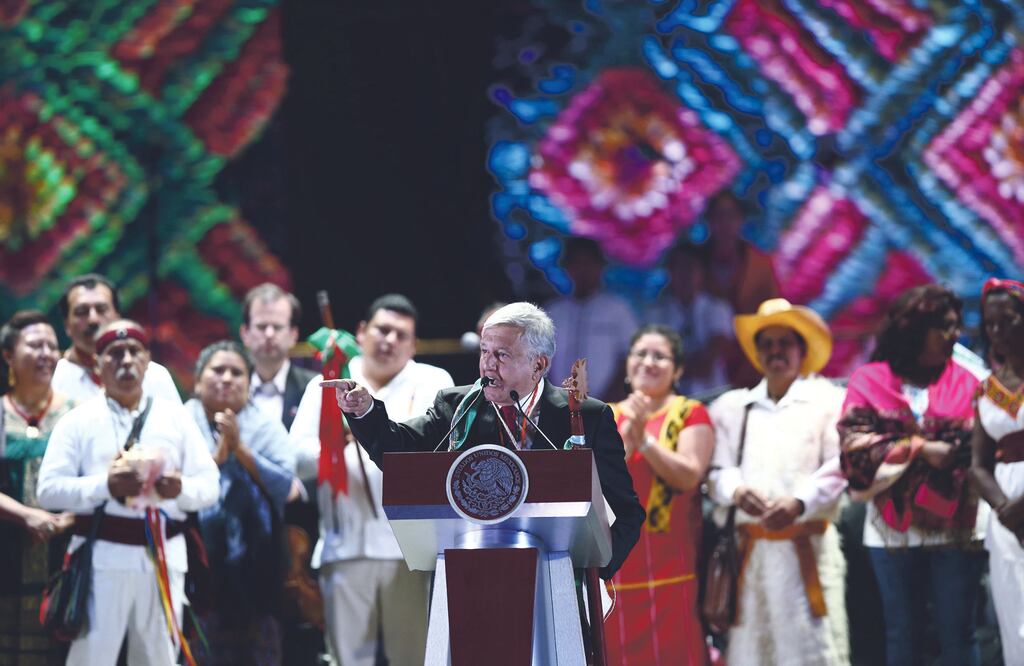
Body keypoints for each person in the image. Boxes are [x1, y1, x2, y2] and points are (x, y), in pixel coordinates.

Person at [324, 302, 645, 582]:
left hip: (559, 579)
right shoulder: (457, 407)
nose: (488, 365)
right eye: (484, 351)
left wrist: (593, 572)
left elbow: (627, 513)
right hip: (471, 576)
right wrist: (364, 411)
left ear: (539, 364)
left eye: (502, 355)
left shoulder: (587, 416)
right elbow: (398, 453)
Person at [37, 320, 219, 665]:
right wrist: (105, 485)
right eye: (115, 353)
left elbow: (210, 485)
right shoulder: (77, 421)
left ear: (148, 360)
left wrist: (180, 489)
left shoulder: (175, 418)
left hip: (164, 556)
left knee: (158, 658)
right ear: (97, 364)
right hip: (101, 558)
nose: (126, 360)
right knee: (92, 658)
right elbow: (48, 491)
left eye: (134, 351)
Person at [290, 294, 453, 666]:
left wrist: (376, 432)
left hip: (410, 549)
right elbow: (296, 459)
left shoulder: (434, 381)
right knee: (347, 659)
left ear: (413, 345)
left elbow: (438, 453)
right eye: (382, 330)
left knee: (413, 658)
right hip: (345, 547)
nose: (389, 340)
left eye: (401, 335)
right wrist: (335, 441)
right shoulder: (329, 380)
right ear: (361, 332)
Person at [839, 284, 982, 666]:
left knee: (958, 635)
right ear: (915, 329)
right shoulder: (869, 380)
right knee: (903, 634)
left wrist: (915, 450)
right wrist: (921, 449)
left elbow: (976, 445)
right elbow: (854, 448)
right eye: (944, 326)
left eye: (956, 325)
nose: (955, 335)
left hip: (957, 525)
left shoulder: (968, 380)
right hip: (891, 530)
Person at [708, 298, 849, 665]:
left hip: (808, 550)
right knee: (751, 652)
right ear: (757, 354)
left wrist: (799, 502)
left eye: (784, 342)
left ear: (802, 350)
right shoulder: (733, 407)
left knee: (813, 650)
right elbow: (716, 471)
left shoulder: (828, 402)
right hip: (749, 554)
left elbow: (841, 465)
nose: (775, 351)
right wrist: (737, 491)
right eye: (767, 344)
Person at [605, 325, 714, 665]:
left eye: (660, 356)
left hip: (672, 570)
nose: (648, 362)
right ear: (627, 363)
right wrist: (627, 435)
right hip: (614, 573)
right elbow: (594, 483)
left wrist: (645, 441)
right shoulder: (604, 415)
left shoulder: (690, 412)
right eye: (640, 353)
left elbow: (688, 476)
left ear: (677, 370)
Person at [185, 341, 296, 665]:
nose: (227, 378)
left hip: (259, 570)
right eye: (218, 370)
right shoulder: (179, 422)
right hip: (195, 568)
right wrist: (218, 457)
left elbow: (285, 486)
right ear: (198, 381)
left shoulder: (266, 426)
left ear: (249, 384)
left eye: (236, 373)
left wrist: (240, 449)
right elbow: (172, 484)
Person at [0, 311, 75, 665]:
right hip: (6, 554)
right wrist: (26, 515)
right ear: (8, 355)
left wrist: (64, 520)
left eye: (51, 345)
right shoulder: (1, 413)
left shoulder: (77, 414)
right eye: (34, 345)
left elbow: (99, 482)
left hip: (64, 559)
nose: (46, 353)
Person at [969, 278, 1024, 666]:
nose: (998, 331)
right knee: (1015, 619)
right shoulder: (986, 390)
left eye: (1007, 320)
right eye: (990, 324)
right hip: (1006, 523)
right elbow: (978, 465)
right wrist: (1006, 510)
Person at [51, 274, 181, 404]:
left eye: (101, 309)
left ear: (117, 317)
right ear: (66, 324)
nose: (93, 319)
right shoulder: (53, 380)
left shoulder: (154, 375)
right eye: (82, 312)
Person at [546, 237, 638, 402]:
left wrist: (608, 400)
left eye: (589, 263)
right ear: (567, 268)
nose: (583, 270)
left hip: (609, 404)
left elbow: (632, 356)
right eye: (577, 263)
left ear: (600, 267)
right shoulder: (553, 312)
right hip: (560, 405)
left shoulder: (618, 310)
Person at [645, 242, 734, 396]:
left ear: (702, 272)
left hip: (713, 396)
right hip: (669, 399)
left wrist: (673, 368)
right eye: (678, 268)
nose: (685, 274)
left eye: (690, 267)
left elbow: (707, 365)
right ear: (670, 272)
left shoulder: (718, 308)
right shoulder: (655, 314)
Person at [239, 283, 317, 430]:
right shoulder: (229, 386)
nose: (269, 334)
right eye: (261, 326)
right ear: (245, 333)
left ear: (293, 335)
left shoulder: (314, 388)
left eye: (277, 327)